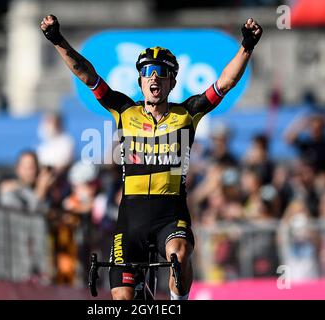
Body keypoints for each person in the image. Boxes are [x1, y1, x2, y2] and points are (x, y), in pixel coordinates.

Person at [40, 14, 262, 300]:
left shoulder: (188, 113)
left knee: (178, 257)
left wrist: (247, 45)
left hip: (170, 215)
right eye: (147, 71)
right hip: (130, 218)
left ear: (171, 82)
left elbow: (226, 83)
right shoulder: (124, 110)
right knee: (122, 298)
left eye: (160, 71)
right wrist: (57, 40)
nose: (153, 76)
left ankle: (177, 300)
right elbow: (86, 74)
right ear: (140, 81)